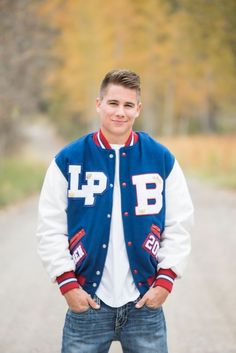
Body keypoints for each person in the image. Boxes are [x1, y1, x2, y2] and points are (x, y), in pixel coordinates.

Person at [37, 69, 194, 353]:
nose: (120, 112)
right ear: (98, 104)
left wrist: (166, 280)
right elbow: (50, 227)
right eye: (113, 103)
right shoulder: (68, 160)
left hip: (144, 303)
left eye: (128, 105)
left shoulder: (161, 158)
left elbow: (179, 224)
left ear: (138, 109)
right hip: (88, 301)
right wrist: (67, 284)